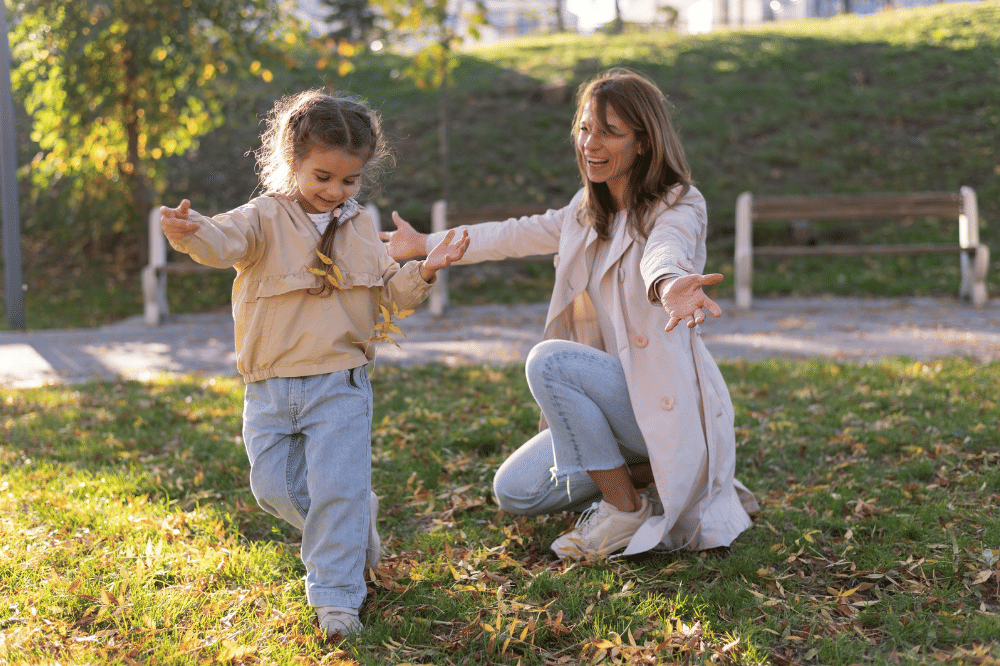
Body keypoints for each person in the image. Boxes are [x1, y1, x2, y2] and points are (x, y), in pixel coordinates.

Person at [381, 69, 757, 560]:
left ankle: (625, 507)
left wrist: (669, 283)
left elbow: (664, 251)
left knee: (549, 362)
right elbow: (510, 234)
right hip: (609, 404)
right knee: (515, 490)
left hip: (656, 394)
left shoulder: (679, 203)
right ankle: (656, 473)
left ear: (644, 143)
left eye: (609, 131)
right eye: (584, 128)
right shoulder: (584, 211)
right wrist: (425, 244)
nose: (590, 143)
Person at [160, 89, 470, 637]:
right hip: (270, 387)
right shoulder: (263, 217)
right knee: (272, 489)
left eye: (348, 181)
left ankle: (337, 601)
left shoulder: (358, 225)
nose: (335, 190)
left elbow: (390, 293)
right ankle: (353, 527)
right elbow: (221, 240)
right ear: (292, 160)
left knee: (335, 489)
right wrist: (191, 233)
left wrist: (423, 269)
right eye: (323, 176)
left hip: (339, 384)